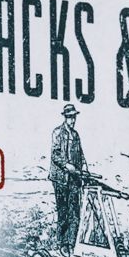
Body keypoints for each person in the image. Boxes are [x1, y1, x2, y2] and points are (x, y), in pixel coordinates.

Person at [50, 102, 86, 248]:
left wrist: (84, 167)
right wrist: (67, 165)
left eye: (74, 117)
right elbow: (55, 154)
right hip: (61, 179)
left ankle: (71, 244)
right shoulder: (57, 132)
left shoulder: (76, 135)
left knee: (75, 214)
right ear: (65, 117)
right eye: (70, 117)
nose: (73, 120)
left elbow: (81, 154)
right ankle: (61, 244)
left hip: (74, 179)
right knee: (63, 213)